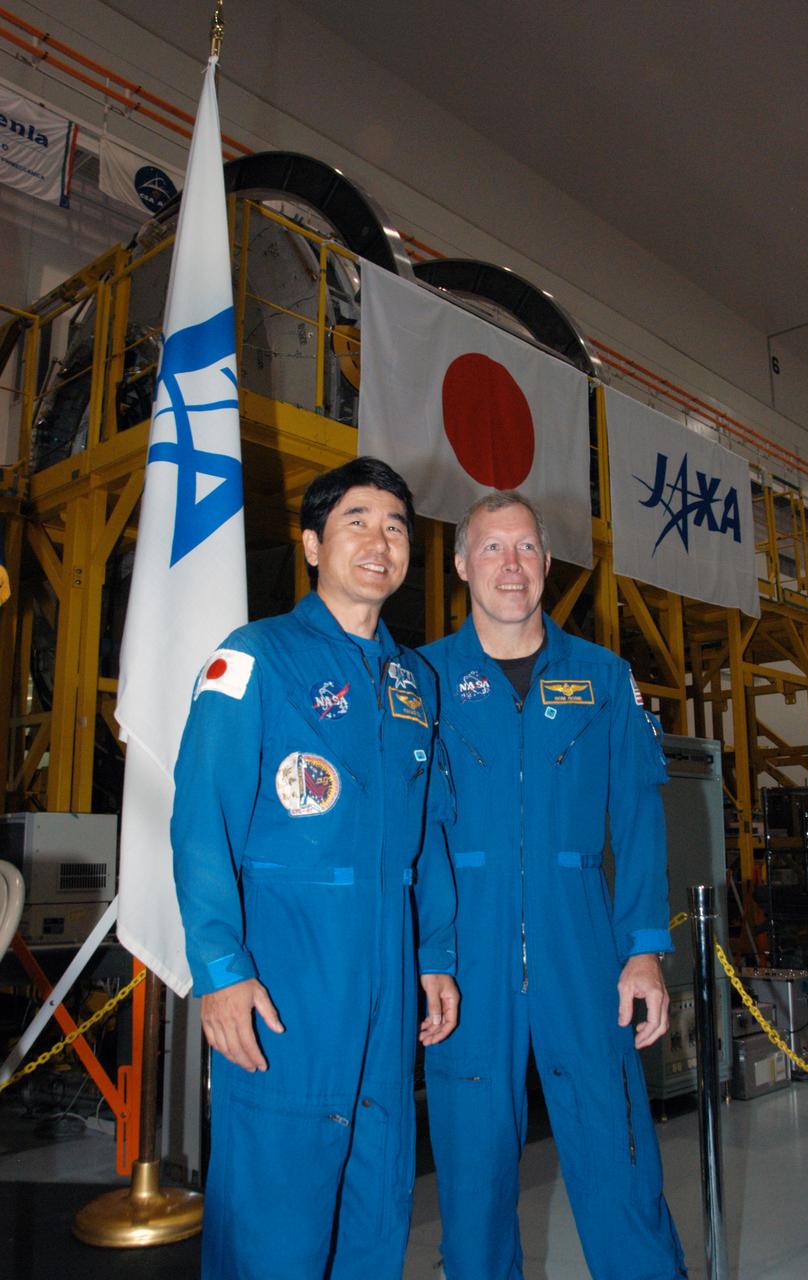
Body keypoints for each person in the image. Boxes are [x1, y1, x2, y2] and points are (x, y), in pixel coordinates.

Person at [172, 457, 459, 1280]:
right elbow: (201, 825)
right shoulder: (254, 659)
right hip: (288, 974)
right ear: (310, 545)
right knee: (274, 1217)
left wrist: (433, 953)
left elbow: (430, 831)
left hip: (386, 973)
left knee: (376, 1205)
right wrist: (221, 970)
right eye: (357, 522)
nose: (381, 541)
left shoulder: (416, 682)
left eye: (396, 526)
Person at [421, 491, 687, 1280]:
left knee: (618, 1152)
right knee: (472, 1175)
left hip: (583, 952)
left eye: (527, 548)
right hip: (467, 959)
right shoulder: (421, 681)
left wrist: (642, 949)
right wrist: (428, 953)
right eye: (493, 549)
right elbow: (414, 834)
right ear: (464, 564)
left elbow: (638, 821)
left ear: (546, 562)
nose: (512, 565)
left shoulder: (602, 679)